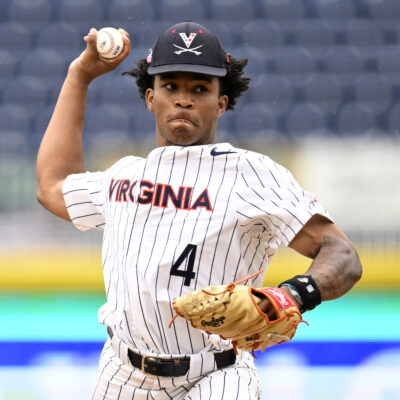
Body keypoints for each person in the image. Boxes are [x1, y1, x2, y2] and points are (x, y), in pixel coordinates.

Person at [36, 20, 362, 400]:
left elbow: (343, 254)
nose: (183, 99)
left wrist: (291, 295)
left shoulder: (251, 173)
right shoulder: (124, 176)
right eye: (170, 86)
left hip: (218, 372)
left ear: (221, 103)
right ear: (149, 98)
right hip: (122, 374)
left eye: (200, 89)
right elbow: (51, 187)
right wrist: (80, 75)